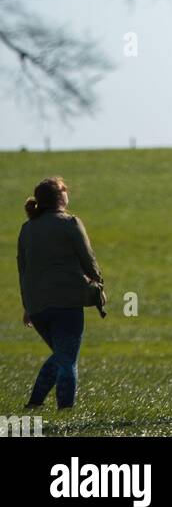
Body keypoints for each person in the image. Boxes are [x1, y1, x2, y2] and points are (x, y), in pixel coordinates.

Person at [17, 176, 106, 412]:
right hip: (66, 300)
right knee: (67, 359)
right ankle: (65, 410)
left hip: (37, 307)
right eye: (65, 190)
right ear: (60, 198)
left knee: (61, 355)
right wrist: (98, 284)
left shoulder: (27, 229)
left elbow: (23, 269)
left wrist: (27, 305)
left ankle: (35, 404)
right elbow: (88, 259)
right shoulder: (70, 223)